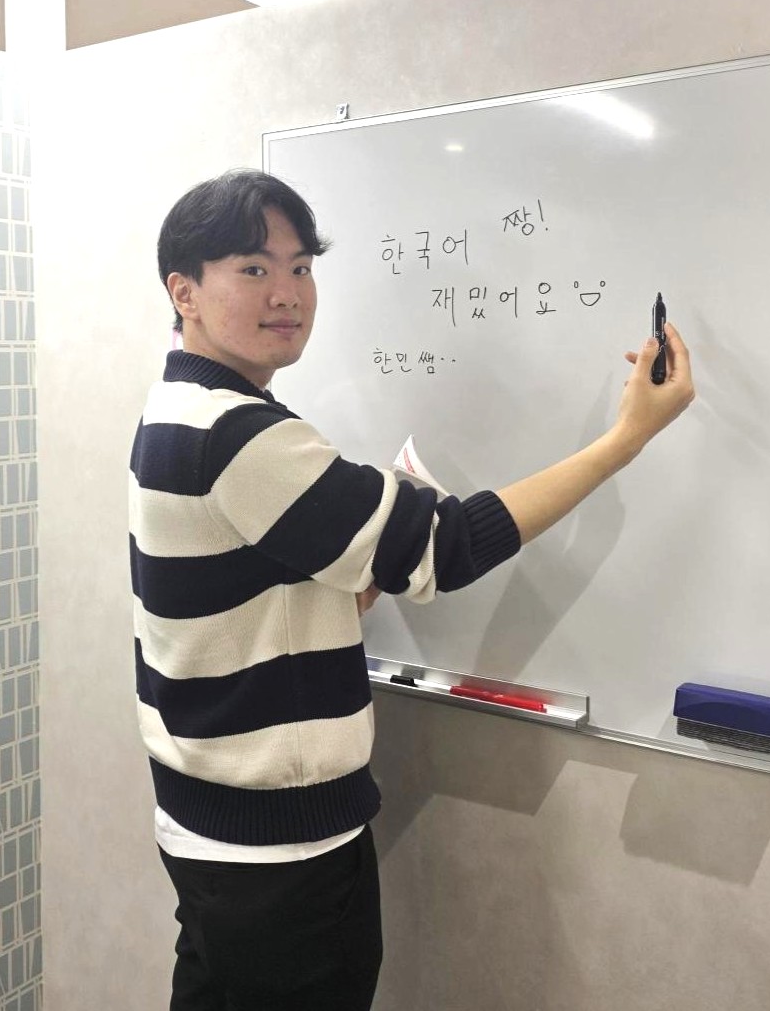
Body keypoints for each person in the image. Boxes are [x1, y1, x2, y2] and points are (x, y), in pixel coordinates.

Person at [130, 169, 693, 1010]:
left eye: (300, 267)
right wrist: (624, 441)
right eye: (253, 269)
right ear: (185, 292)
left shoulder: (177, 408)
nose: (287, 293)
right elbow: (444, 548)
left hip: (214, 828)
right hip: (276, 857)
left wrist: (350, 575)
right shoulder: (239, 435)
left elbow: (248, 589)